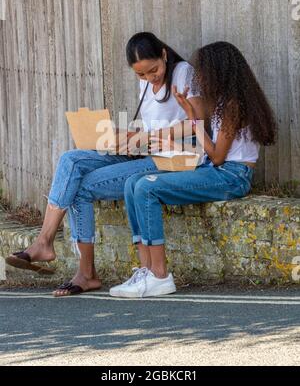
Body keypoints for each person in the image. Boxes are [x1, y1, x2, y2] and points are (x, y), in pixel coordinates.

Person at [5, 32, 203, 296]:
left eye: (153, 70)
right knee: (71, 160)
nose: (149, 78)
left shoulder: (183, 73)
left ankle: (85, 272)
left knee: (81, 187)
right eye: (141, 75)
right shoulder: (145, 84)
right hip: (146, 150)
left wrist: (148, 137)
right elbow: (151, 126)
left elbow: (197, 120)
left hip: (175, 157)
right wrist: (123, 136)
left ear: (164, 55)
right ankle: (45, 240)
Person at [109, 41, 277, 298]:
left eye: (203, 71)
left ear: (219, 72)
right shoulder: (222, 102)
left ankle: (160, 275)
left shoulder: (232, 106)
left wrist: (196, 122)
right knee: (133, 182)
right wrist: (192, 116)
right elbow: (212, 154)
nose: (198, 76)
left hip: (232, 176)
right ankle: (145, 269)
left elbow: (218, 157)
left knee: (146, 187)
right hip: (217, 170)